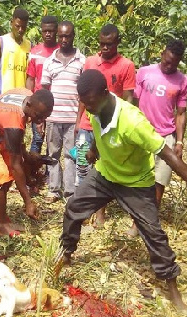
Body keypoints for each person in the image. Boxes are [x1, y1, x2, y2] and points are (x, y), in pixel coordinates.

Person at [60, 69, 187, 310]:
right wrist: (95, 149)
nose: (87, 107)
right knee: (74, 207)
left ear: (106, 94)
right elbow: (99, 129)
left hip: (135, 182)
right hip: (106, 174)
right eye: (83, 102)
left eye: (91, 102)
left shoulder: (133, 121)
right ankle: (66, 252)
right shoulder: (95, 108)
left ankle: (172, 286)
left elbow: (169, 156)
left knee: (153, 233)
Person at [0, 89, 54, 236]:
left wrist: (26, 157)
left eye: (45, 116)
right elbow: (16, 164)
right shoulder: (13, 120)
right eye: (38, 115)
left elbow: (17, 144)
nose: (41, 120)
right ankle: (2, 224)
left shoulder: (27, 96)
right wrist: (28, 202)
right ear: (30, 104)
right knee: (2, 173)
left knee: (10, 172)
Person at [127, 39, 187, 236]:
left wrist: (179, 141)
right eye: (167, 60)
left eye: (174, 63)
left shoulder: (182, 80)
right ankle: (137, 219)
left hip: (165, 136)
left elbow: (181, 113)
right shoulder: (145, 72)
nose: (169, 65)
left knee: (158, 183)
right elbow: (133, 102)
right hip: (142, 133)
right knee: (139, 180)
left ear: (179, 62)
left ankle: (146, 223)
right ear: (162, 54)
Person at [76, 23, 136, 226]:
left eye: (109, 44)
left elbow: (128, 98)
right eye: (101, 44)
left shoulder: (126, 66)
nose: (104, 48)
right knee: (83, 164)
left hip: (110, 126)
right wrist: (78, 121)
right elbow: (83, 94)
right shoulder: (90, 61)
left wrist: (121, 123)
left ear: (117, 42)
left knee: (105, 167)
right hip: (87, 123)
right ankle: (83, 208)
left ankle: (100, 213)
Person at [41, 21, 86, 202]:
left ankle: (69, 192)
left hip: (73, 117)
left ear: (73, 36)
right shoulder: (49, 61)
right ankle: (53, 190)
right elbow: (44, 91)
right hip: (53, 117)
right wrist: (42, 119)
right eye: (61, 36)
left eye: (67, 36)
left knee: (71, 156)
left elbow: (84, 92)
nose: (64, 39)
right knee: (53, 155)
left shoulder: (82, 61)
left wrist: (79, 120)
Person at [26, 15, 59, 155]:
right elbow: (30, 79)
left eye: (51, 31)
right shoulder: (35, 52)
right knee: (38, 139)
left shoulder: (61, 51)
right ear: (41, 31)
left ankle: (49, 174)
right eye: (45, 31)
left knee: (53, 143)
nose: (48, 34)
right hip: (38, 105)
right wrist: (29, 101)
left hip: (56, 105)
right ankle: (33, 172)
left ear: (56, 31)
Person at [0, 7, 31, 97]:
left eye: (23, 27)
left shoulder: (29, 46)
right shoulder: (1, 42)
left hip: (21, 97)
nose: (20, 30)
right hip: (4, 95)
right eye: (17, 26)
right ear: (11, 23)